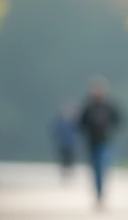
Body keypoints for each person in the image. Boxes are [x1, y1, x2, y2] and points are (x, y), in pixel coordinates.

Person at [78, 77, 123, 209]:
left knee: (103, 167)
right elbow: (81, 123)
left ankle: (101, 192)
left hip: (105, 142)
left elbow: (118, 120)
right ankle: (98, 193)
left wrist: (110, 130)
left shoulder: (109, 107)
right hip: (92, 142)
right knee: (95, 169)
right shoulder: (88, 107)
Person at [51, 101, 80, 184]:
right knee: (63, 159)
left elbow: (78, 130)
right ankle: (64, 173)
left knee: (70, 159)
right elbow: (55, 130)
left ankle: (69, 172)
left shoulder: (74, 120)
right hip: (62, 143)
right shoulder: (60, 120)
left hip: (71, 143)